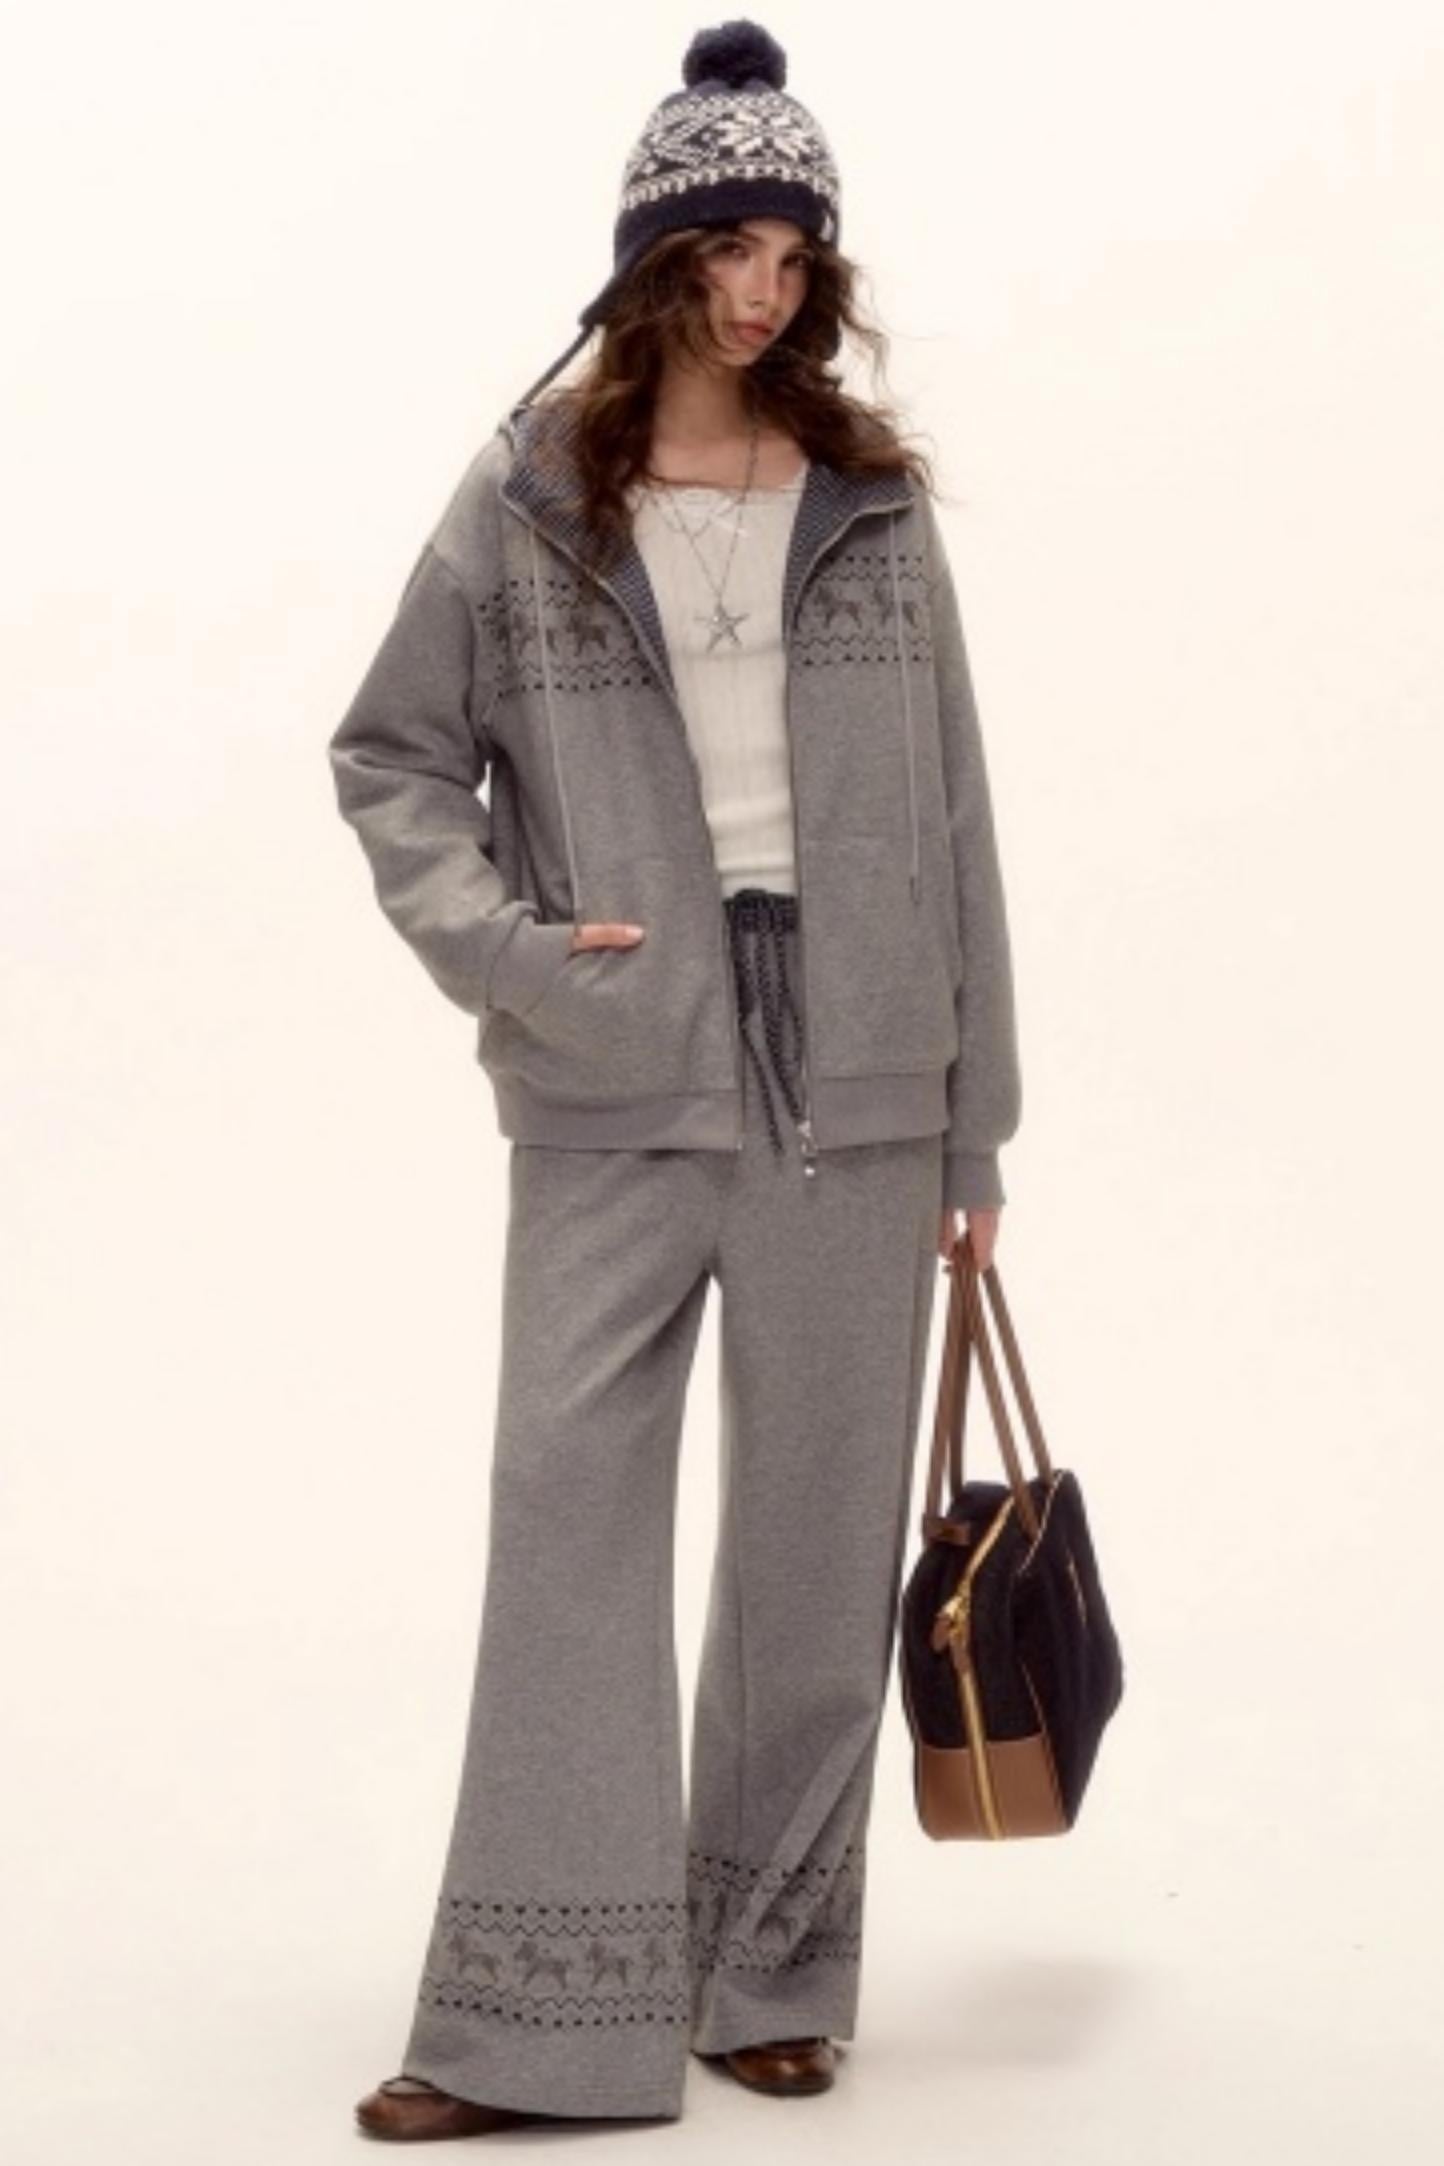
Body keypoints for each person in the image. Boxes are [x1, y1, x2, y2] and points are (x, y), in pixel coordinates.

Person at [327, 17, 1022, 2142]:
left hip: (863, 1073)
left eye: (792, 257)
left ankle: (769, 1978)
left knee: (813, 1552)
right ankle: (529, 2025)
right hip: (615, 1064)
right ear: (652, 261)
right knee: (566, 1531)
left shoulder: (871, 504)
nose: (760, 293)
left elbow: (959, 818)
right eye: (726, 250)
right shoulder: (532, 494)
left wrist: (976, 1123)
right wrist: (513, 955)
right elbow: (390, 756)